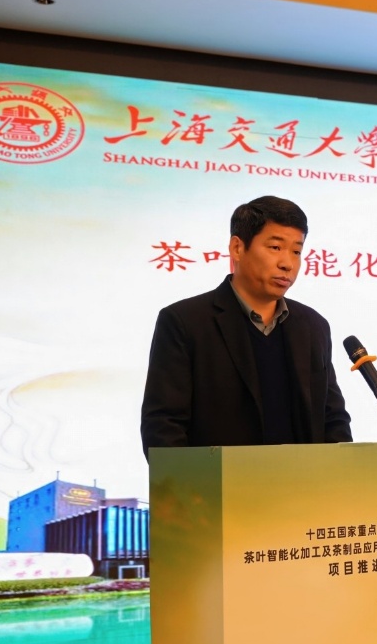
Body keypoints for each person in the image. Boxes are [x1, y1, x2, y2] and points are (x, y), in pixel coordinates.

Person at [140, 195, 352, 459]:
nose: (287, 263)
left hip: (303, 483)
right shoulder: (185, 321)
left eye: (296, 251)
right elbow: (163, 426)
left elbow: (332, 419)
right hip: (217, 483)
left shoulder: (313, 326)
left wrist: (338, 475)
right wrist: (188, 484)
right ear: (237, 248)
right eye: (275, 247)